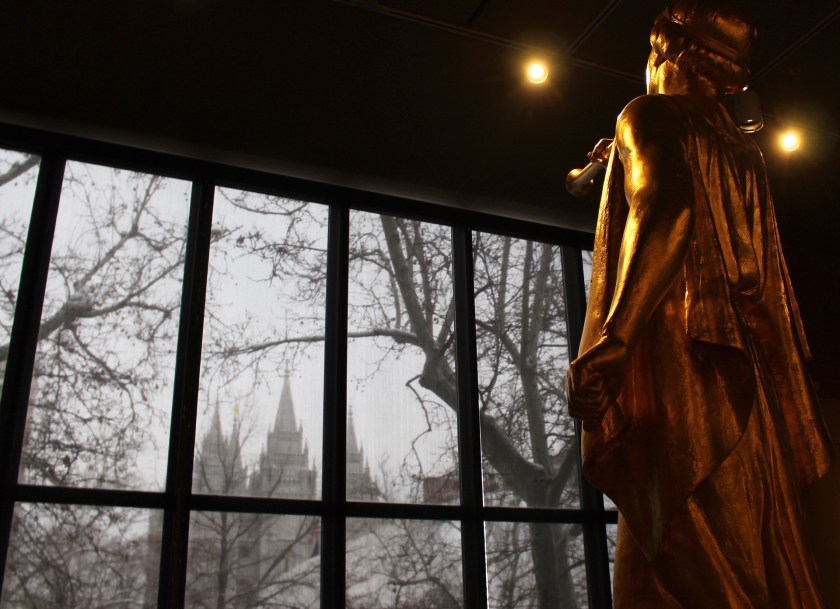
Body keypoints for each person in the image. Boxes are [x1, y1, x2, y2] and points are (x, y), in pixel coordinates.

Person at [565, 1, 833, 607]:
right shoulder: (742, 152)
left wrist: (617, 337)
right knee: (758, 555)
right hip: (749, 383)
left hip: (686, 370)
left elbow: (668, 208)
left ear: (665, 50)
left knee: (678, 558)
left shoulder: (649, 115)